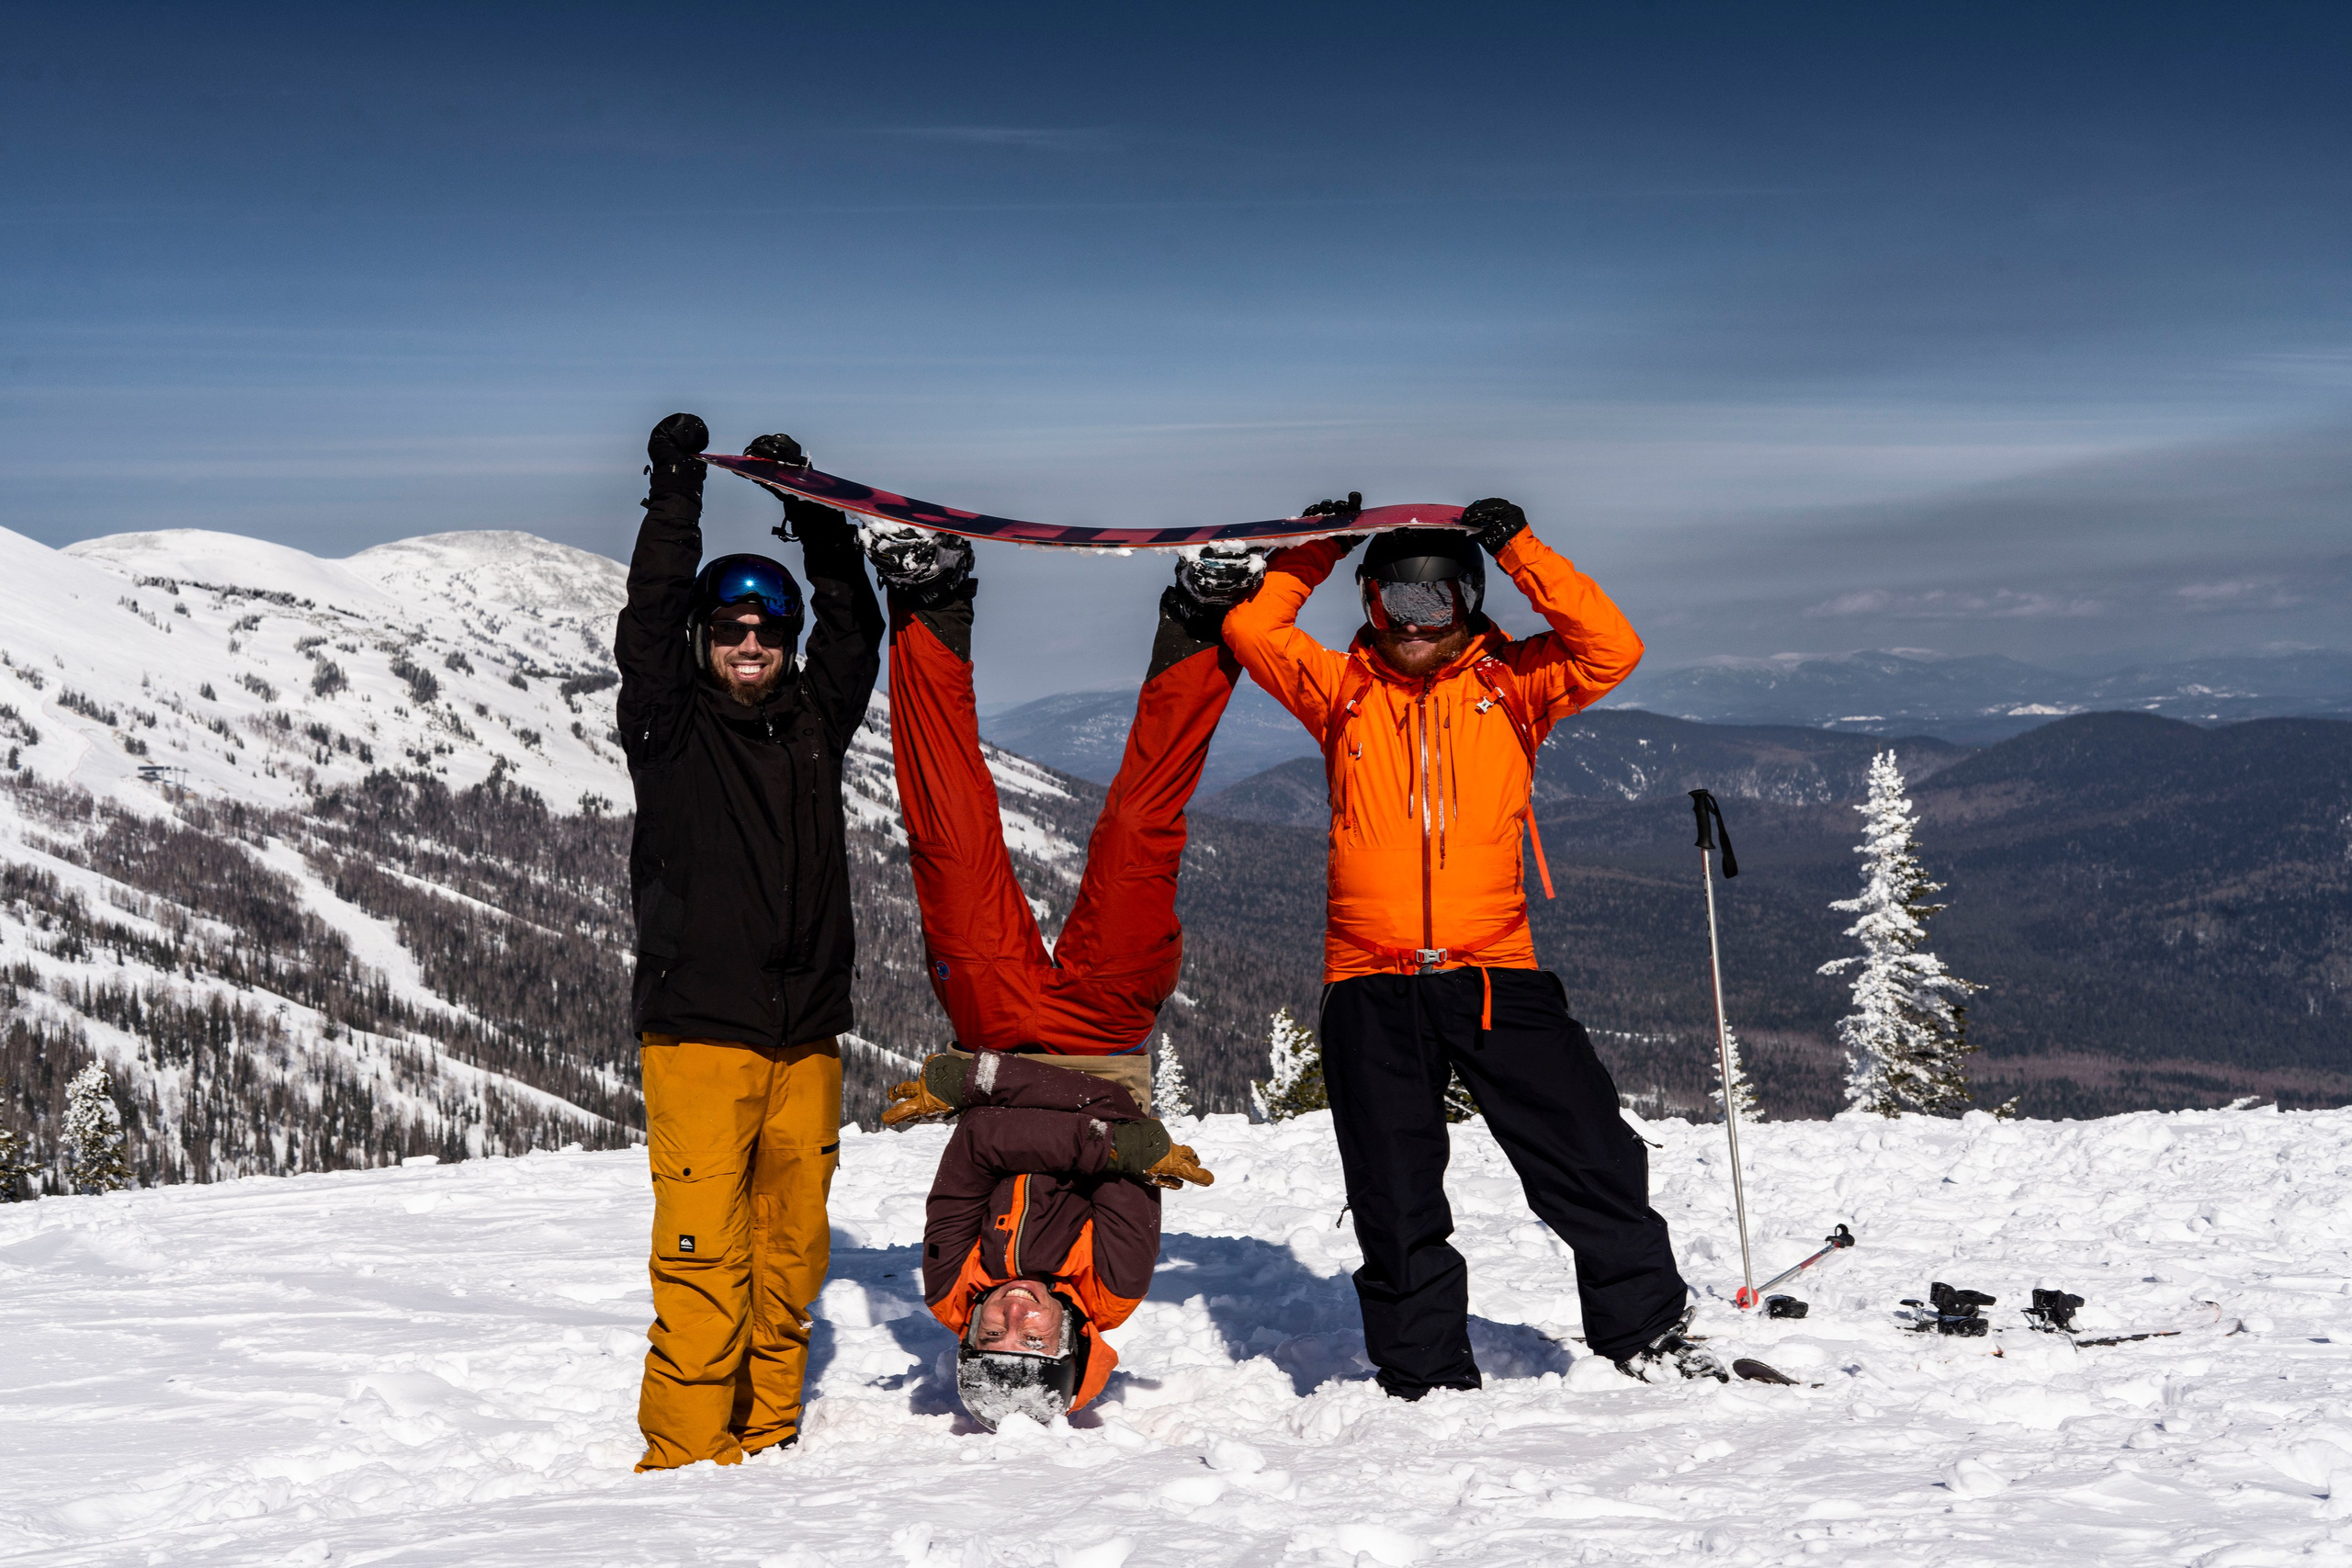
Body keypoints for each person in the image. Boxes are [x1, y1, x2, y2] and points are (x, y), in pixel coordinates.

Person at [1219, 496, 1727, 1398]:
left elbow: (1612, 647)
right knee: (1393, 1187)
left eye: (1437, 604)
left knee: (1588, 1155)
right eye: (1395, 606)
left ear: (1469, 602)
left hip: (1495, 969)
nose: (1415, 627)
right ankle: (1421, 1368)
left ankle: (1644, 1331)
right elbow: (1253, 625)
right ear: (1370, 603)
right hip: (1368, 983)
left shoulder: (1516, 684)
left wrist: (1524, 550)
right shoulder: (1339, 689)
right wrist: (1318, 549)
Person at [864, 524, 1234, 1426]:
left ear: (968, 1334)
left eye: (994, 1337)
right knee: (1140, 836)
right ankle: (1200, 622)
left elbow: (983, 1152)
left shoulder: (951, 1279)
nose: (1015, 1316)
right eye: (1035, 1341)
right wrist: (990, 1089)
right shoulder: (1115, 1282)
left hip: (995, 1022)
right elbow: (1101, 1125)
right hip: (1103, 1036)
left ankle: (929, 602)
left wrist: (1066, 1127)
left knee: (947, 836)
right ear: (1073, 1343)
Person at [616, 414, 884, 1470]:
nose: (751, 648)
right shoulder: (666, 731)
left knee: (792, 1255)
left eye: (767, 634)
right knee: (703, 1257)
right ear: (704, 641)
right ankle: (683, 1465)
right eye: (730, 633)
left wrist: (813, 511)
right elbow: (645, 622)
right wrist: (675, 492)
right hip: (699, 1038)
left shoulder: (816, 723)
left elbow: (855, 628)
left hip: (807, 1036)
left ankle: (766, 1439)